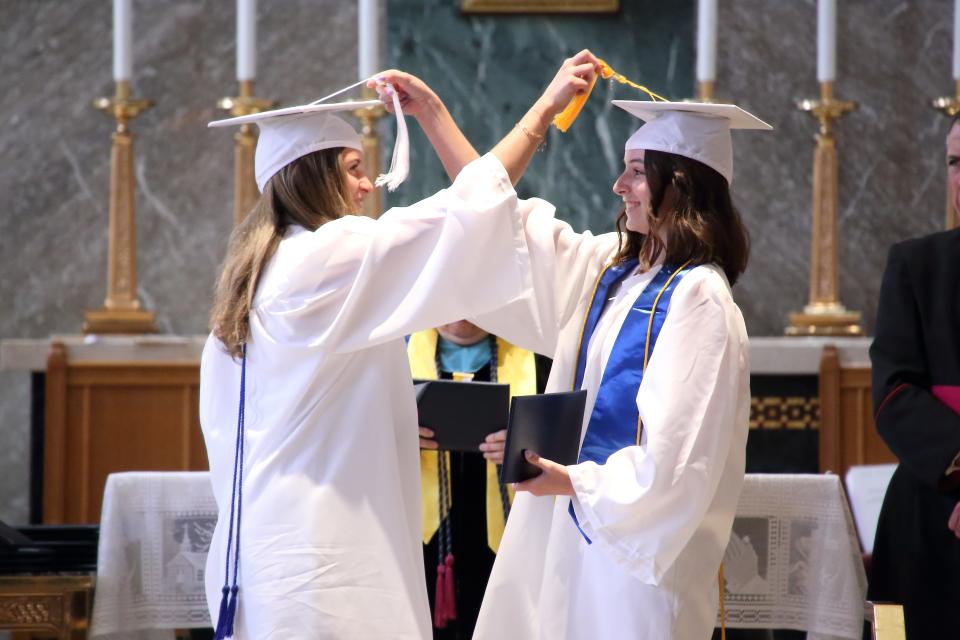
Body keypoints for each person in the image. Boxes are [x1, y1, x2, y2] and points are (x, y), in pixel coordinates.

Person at [199, 62, 595, 639]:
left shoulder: (259, 275)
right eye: (355, 169)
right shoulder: (322, 259)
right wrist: (540, 114)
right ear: (316, 179)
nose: (367, 186)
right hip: (324, 564)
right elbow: (461, 217)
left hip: (265, 555)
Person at [446, 50, 770, 639]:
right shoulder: (612, 271)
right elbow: (502, 228)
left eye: (638, 171)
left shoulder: (700, 299)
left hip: (635, 563)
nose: (619, 185)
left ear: (683, 184)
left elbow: (679, 460)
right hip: (575, 535)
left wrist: (574, 481)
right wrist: (439, 117)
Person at [867, 112, 960, 640]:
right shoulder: (915, 265)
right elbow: (894, 392)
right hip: (929, 508)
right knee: (902, 630)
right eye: (954, 162)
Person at [408, 320, 550, 638]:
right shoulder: (395, 355)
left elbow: (571, 443)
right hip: (420, 541)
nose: (460, 317)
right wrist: (393, 436)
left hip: (511, 538)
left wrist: (528, 448)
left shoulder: (542, 357)